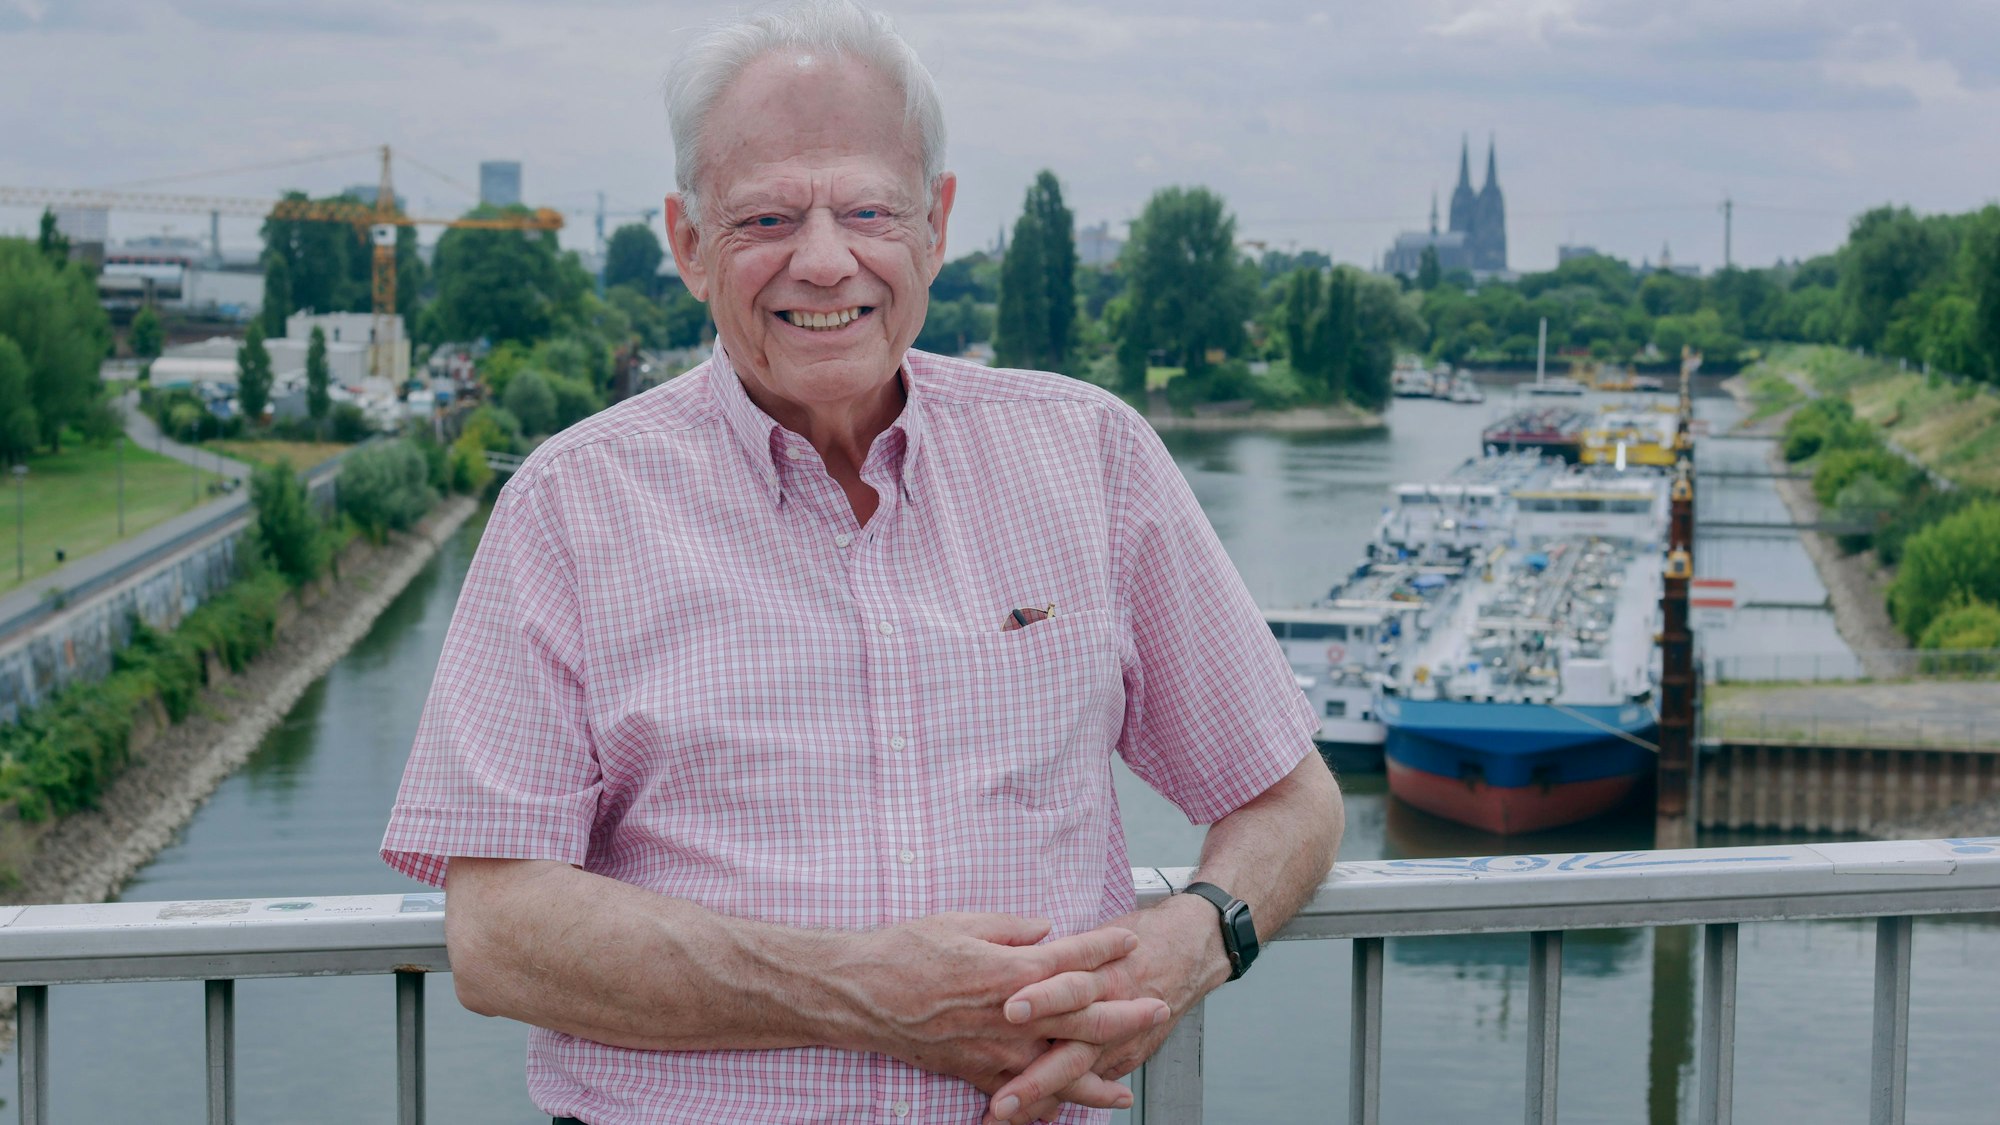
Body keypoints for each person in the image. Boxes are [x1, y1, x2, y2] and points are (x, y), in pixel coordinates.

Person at [380, 2, 1342, 1122]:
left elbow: (1287, 798)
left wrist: (1187, 942)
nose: (826, 260)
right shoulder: (569, 504)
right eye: (766, 218)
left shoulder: (1090, 458)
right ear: (688, 244)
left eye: (868, 209)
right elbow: (499, 934)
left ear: (932, 224)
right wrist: (861, 994)